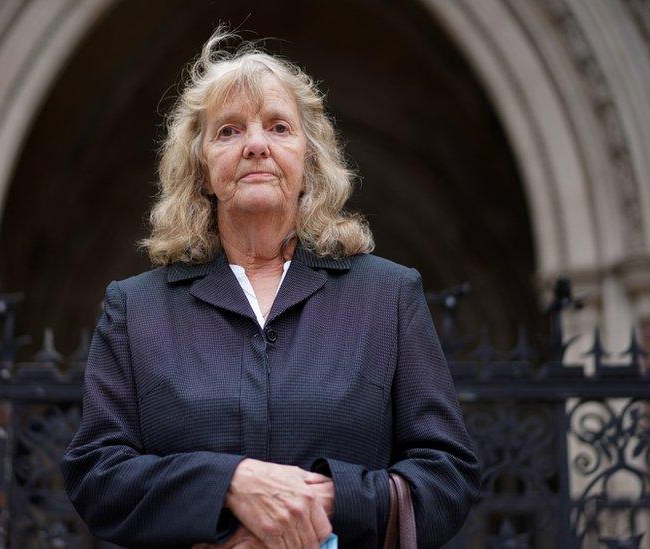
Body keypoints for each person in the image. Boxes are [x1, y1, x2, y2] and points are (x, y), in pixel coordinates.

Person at [60, 29, 480, 548]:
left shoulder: (387, 296)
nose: (256, 144)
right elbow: (96, 475)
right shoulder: (137, 309)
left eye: (278, 128)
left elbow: (448, 476)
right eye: (229, 131)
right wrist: (232, 485)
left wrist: (325, 502)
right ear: (202, 170)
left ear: (308, 162)